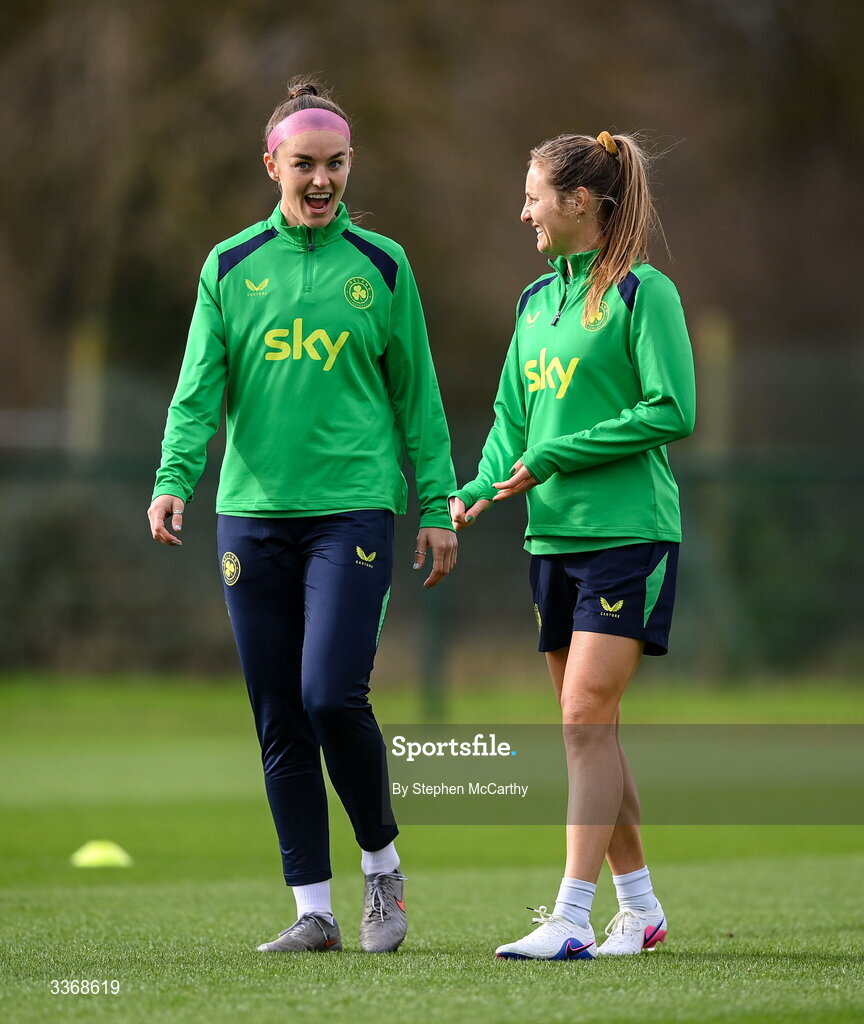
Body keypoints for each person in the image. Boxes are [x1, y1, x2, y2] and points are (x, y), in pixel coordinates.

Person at [147, 78, 457, 954]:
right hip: (250, 516)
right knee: (279, 709)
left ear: (350, 165)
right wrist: (175, 476)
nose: (321, 181)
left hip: (353, 512)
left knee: (330, 694)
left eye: (336, 164)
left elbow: (420, 401)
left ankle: (382, 868)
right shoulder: (230, 266)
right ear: (271, 164)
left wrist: (437, 504)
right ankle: (313, 910)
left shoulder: (386, 266)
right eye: (304, 165)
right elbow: (197, 388)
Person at [449, 131, 695, 959]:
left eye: (533, 196)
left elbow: (672, 409)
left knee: (586, 719)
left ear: (580, 200)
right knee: (588, 727)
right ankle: (643, 910)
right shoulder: (531, 303)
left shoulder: (642, 294)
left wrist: (556, 455)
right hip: (550, 539)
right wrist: (476, 489)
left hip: (629, 536)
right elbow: (512, 422)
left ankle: (570, 917)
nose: (524, 211)